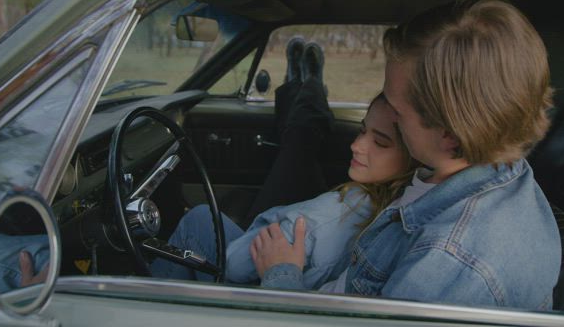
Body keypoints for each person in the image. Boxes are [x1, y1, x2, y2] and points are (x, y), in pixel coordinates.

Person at [250, 0, 561, 310]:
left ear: (450, 134)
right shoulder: (499, 166)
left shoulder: (449, 265)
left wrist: (281, 277)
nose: (391, 117)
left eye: (398, 109)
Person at [151, 39, 418, 288]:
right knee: (300, 145)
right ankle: (307, 87)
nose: (355, 145)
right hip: (300, 277)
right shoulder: (401, 201)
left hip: (261, 286)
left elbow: (234, 264)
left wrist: (272, 221)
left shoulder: (326, 217)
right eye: (362, 130)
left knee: (200, 218)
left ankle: (304, 87)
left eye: (381, 143)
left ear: (413, 154)